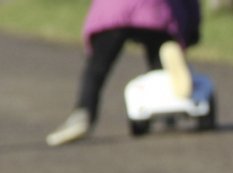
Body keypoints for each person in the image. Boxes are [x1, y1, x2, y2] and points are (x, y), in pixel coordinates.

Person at [46, 0, 202, 147]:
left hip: (113, 9)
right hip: (154, 9)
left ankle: (83, 113)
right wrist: (191, 29)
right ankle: (168, 102)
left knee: (97, 68)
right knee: (161, 55)